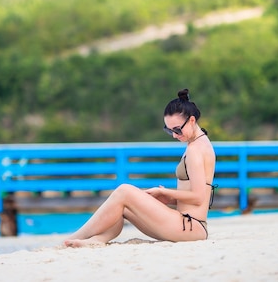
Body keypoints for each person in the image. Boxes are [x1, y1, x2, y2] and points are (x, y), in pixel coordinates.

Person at [64, 88, 216, 247]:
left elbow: (198, 197)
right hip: (188, 224)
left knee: (124, 191)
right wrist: (169, 198)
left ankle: (75, 237)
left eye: (177, 129)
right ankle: (96, 240)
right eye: (169, 130)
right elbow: (197, 192)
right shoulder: (199, 144)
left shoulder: (195, 150)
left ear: (192, 121)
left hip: (190, 227)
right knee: (122, 207)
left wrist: (164, 192)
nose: (174, 135)